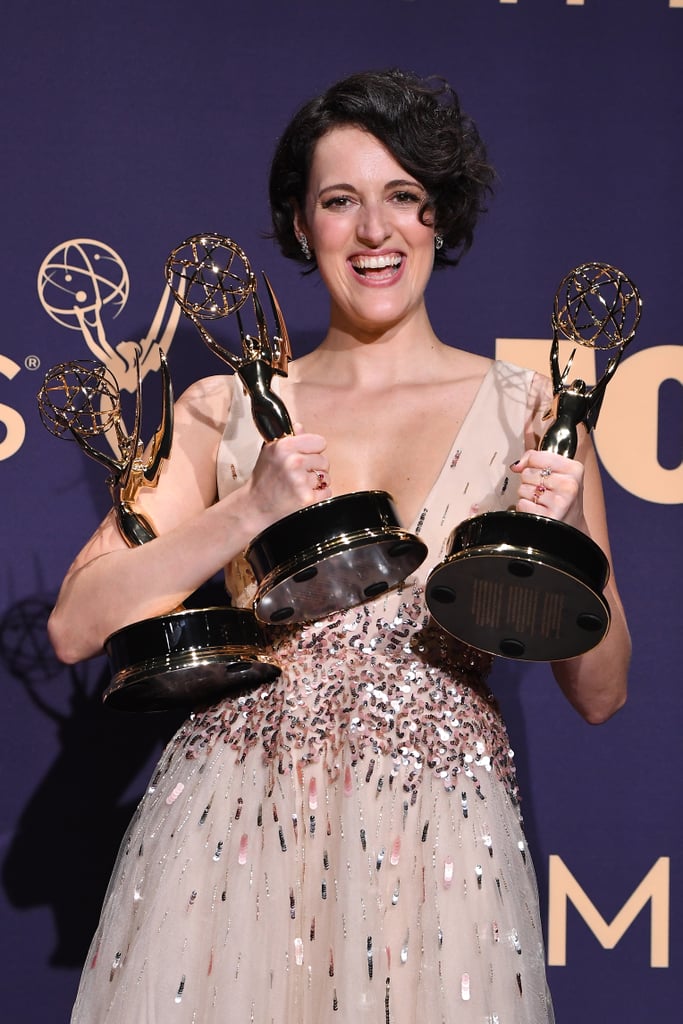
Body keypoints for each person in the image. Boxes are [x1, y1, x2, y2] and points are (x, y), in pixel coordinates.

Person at [50, 69, 630, 1024]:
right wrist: (244, 512)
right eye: (339, 201)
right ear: (299, 222)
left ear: (439, 216)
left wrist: (560, 530)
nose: (373, 232)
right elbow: (77, 626)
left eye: (403, 196)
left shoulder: (530, 413)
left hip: (437, 839)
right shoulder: (224, 409)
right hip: (233, 829)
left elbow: (602, 693)